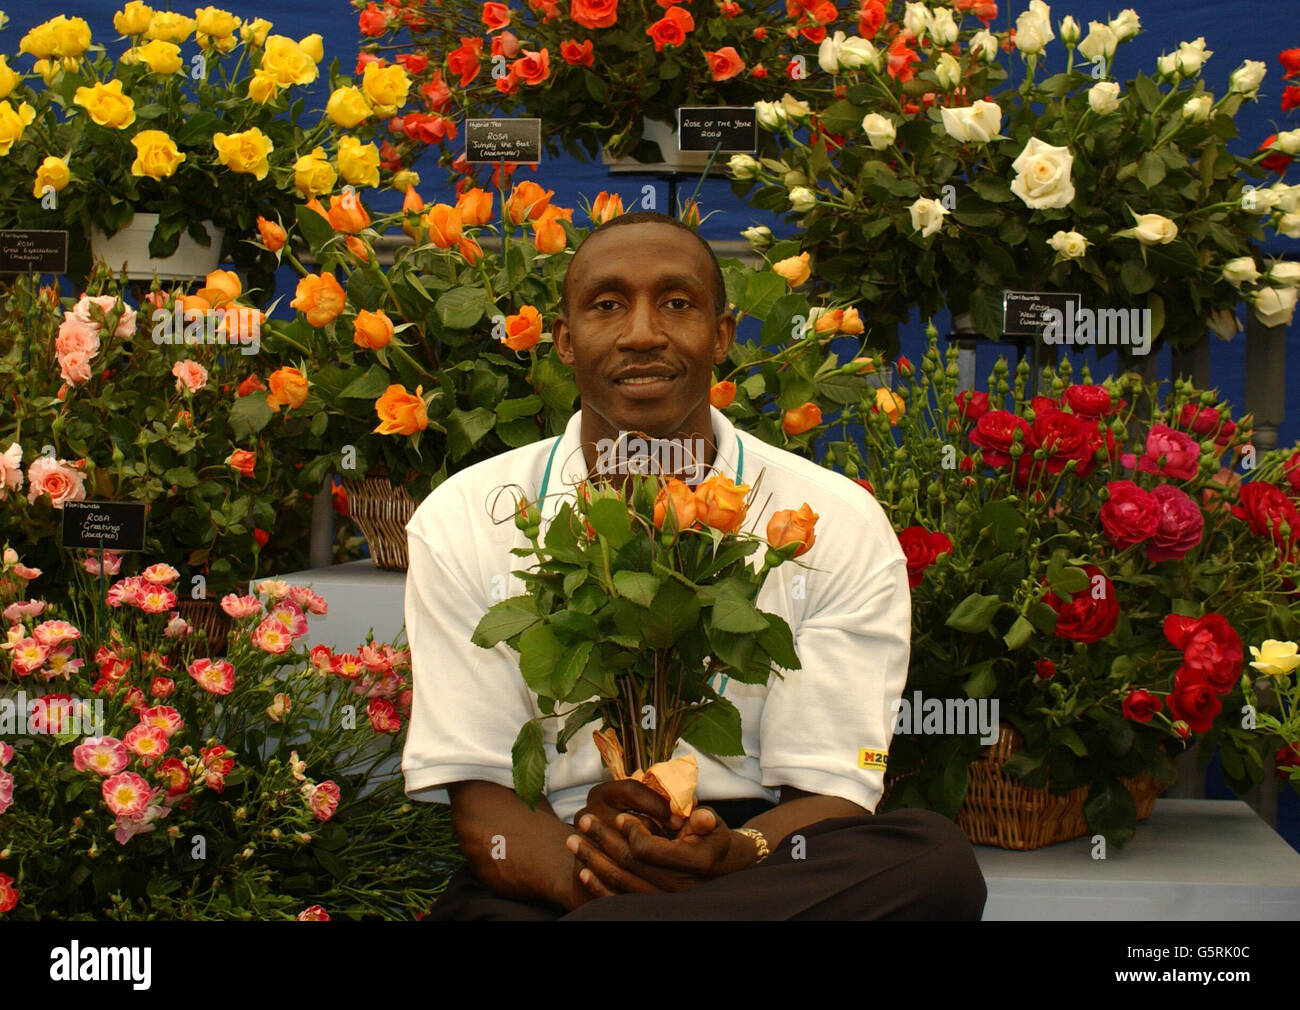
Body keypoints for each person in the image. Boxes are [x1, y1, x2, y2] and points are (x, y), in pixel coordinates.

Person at [402, 211, 987, 920]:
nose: (643, 332)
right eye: (607, 305)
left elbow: (831, 791)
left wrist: (734, 853)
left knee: (933, 859)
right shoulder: (462, 518)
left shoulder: (828, 521)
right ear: (563, 340)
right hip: (563, 851)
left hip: (756, 855)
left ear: (722, 335)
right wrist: (599, 885)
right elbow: (485, 807)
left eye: (677, 303)